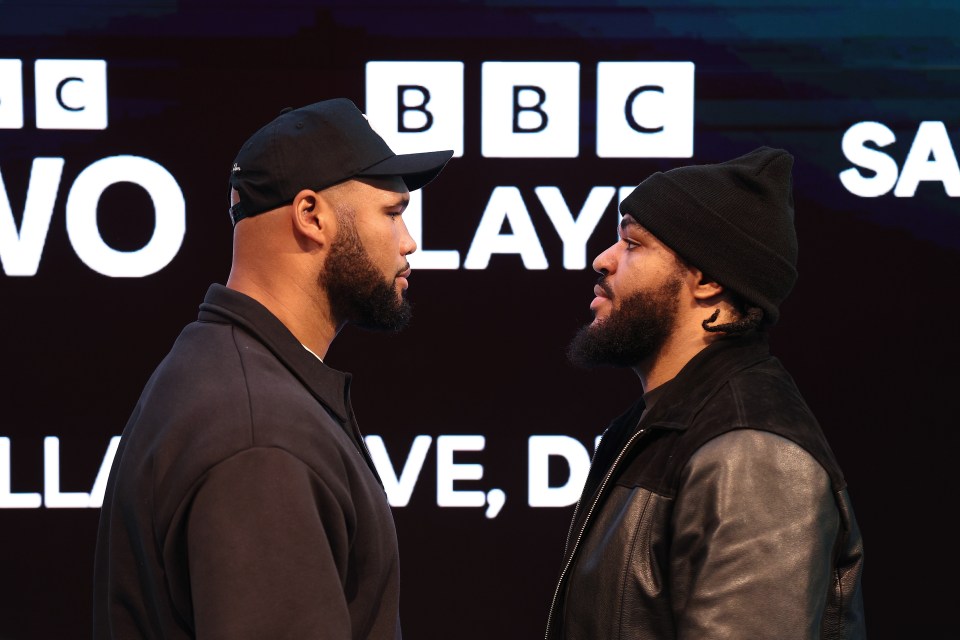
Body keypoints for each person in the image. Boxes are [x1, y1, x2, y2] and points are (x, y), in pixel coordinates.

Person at [93, 98, 453, 639]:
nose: (409, 242)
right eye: (392, 213)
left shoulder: (217, 371)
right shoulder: (260, 435)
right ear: (311, 215)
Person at [546, 147, 865, 639]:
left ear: (710, 280)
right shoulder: (659, 425)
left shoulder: (751, 453)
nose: (603, 260)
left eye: (632, 243)